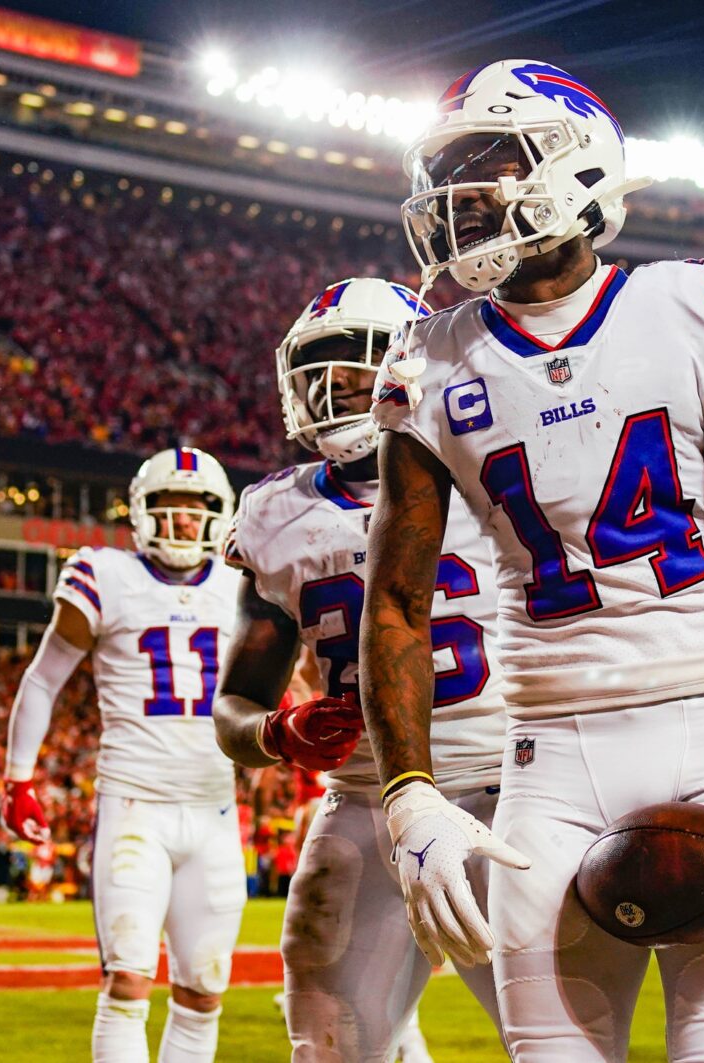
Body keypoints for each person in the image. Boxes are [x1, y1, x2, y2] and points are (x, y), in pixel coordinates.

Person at [362, 59, 704, 1061]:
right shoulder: (425, 359)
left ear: (573, 169)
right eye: (452, 170)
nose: (460, 195)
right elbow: (396, 602)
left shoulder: (691, 306)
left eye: (489, 163)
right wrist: (410, 794)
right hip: (547, 757)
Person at [213, 276, 507, 1061]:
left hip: (505, 791)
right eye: (323, 372)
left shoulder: (493, 468)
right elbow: (235, 705)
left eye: (358, 367)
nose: (337, 387)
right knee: (329, 1037)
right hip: (364, 798)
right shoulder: (276, 512)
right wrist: (276, 733)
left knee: (559, 1035)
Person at [4, 447, 242, 1062]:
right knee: (128, 981)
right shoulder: (105, 573)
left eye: (197, 510)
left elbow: (282, 681)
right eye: (168, 508)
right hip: (136, 806)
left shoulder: (243, 585)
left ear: (219, 516)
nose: (182, 522)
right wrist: (17, 779)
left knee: (203, 990)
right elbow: (43, 678)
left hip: (217, 810)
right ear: (141, 513)